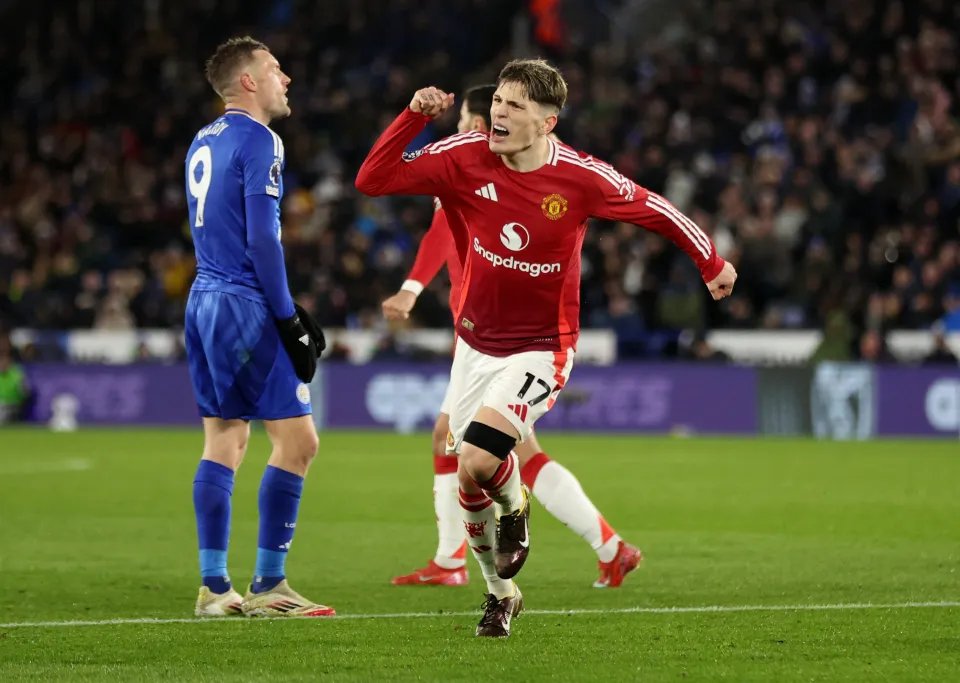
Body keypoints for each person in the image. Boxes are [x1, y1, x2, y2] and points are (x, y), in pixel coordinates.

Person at [357, 60, 736, 637]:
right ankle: (501, 593)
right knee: (466, 476)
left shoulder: (581, 178)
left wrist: (710, 261)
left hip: (541, 347)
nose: (499, 115)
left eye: (514, 106)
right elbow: (372, 180)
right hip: (475, 345)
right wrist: (412, 118)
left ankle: (519, 510)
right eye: (499, 103)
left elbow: (654, 208)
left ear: (548, 122)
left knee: (481, 459)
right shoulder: (463, 156)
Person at [381, 85, 642, 592]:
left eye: (465, 121)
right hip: (482, 331)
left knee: (464, 445)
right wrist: (413, 287)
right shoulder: (467, 171)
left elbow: (437, 232)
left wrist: (411, 289)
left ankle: (455, 559)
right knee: (513, 452)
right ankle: (610, 547)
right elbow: (438, 228)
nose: (459, 130)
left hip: (504, 337)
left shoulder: (486, 169)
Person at [184, 36, 331, 618]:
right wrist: (287, 315)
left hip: (203, 300)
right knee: (298, 442)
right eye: (274, 69)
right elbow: (263, 238)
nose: (285, 78)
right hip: (245, 304)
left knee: (226, 439)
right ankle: (270, 584)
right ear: (247, 81)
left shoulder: (204, 138)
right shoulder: (260, 137)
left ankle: (215, 588)